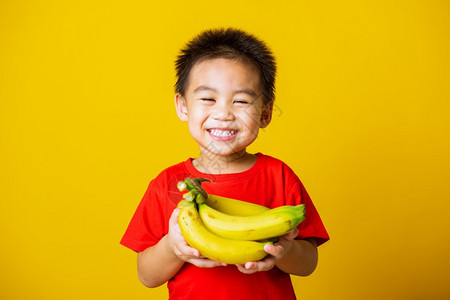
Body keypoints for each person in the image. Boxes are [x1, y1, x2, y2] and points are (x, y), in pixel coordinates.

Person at [120, 28, 329, 299]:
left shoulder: (279, 176)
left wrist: (284, 252)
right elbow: (146, 276)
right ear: (183, 106)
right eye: (208, 99)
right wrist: (173, 247)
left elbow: (308, 263)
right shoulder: (168, 185)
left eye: (241, 101)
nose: (223, 114)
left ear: (265, 113)